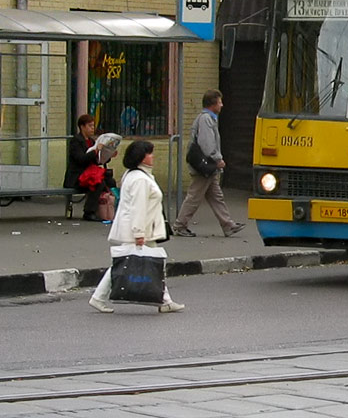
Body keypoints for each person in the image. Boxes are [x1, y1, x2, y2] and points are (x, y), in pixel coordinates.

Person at [89, 140, 184, 313]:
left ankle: (165, 301)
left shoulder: (136, 175)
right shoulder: (140, 179)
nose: (152, 156)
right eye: (149, 153)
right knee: (129, 264)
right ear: (141, 158)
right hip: (138, 229)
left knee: (142, 263)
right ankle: (98, 297)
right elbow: (138, 208)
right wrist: (139, 233)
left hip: (139, 228)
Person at [170, 89, 246, 238]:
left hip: (207, 168)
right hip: (204, 167)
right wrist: (217, 159)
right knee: (194, 197)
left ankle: (228, 225)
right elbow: (206, 144)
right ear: (213, 104)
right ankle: (179, 225)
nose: (222, 105)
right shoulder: (205, 119)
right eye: (220, 102)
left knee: (216, 197)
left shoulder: (209, 119)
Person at [64, 114, 104, 221]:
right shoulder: (76, 141)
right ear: (82, 127)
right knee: (98, 183)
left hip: (89, 173)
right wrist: (95, 151)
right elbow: (80, 159)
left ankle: (105, 211)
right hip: (77, 176)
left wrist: (107, 155)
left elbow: (97, 160)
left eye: (93, 126)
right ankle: (89, 212)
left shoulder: (91, 141)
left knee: (109, 180)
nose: (92, 128)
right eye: (90, 126)